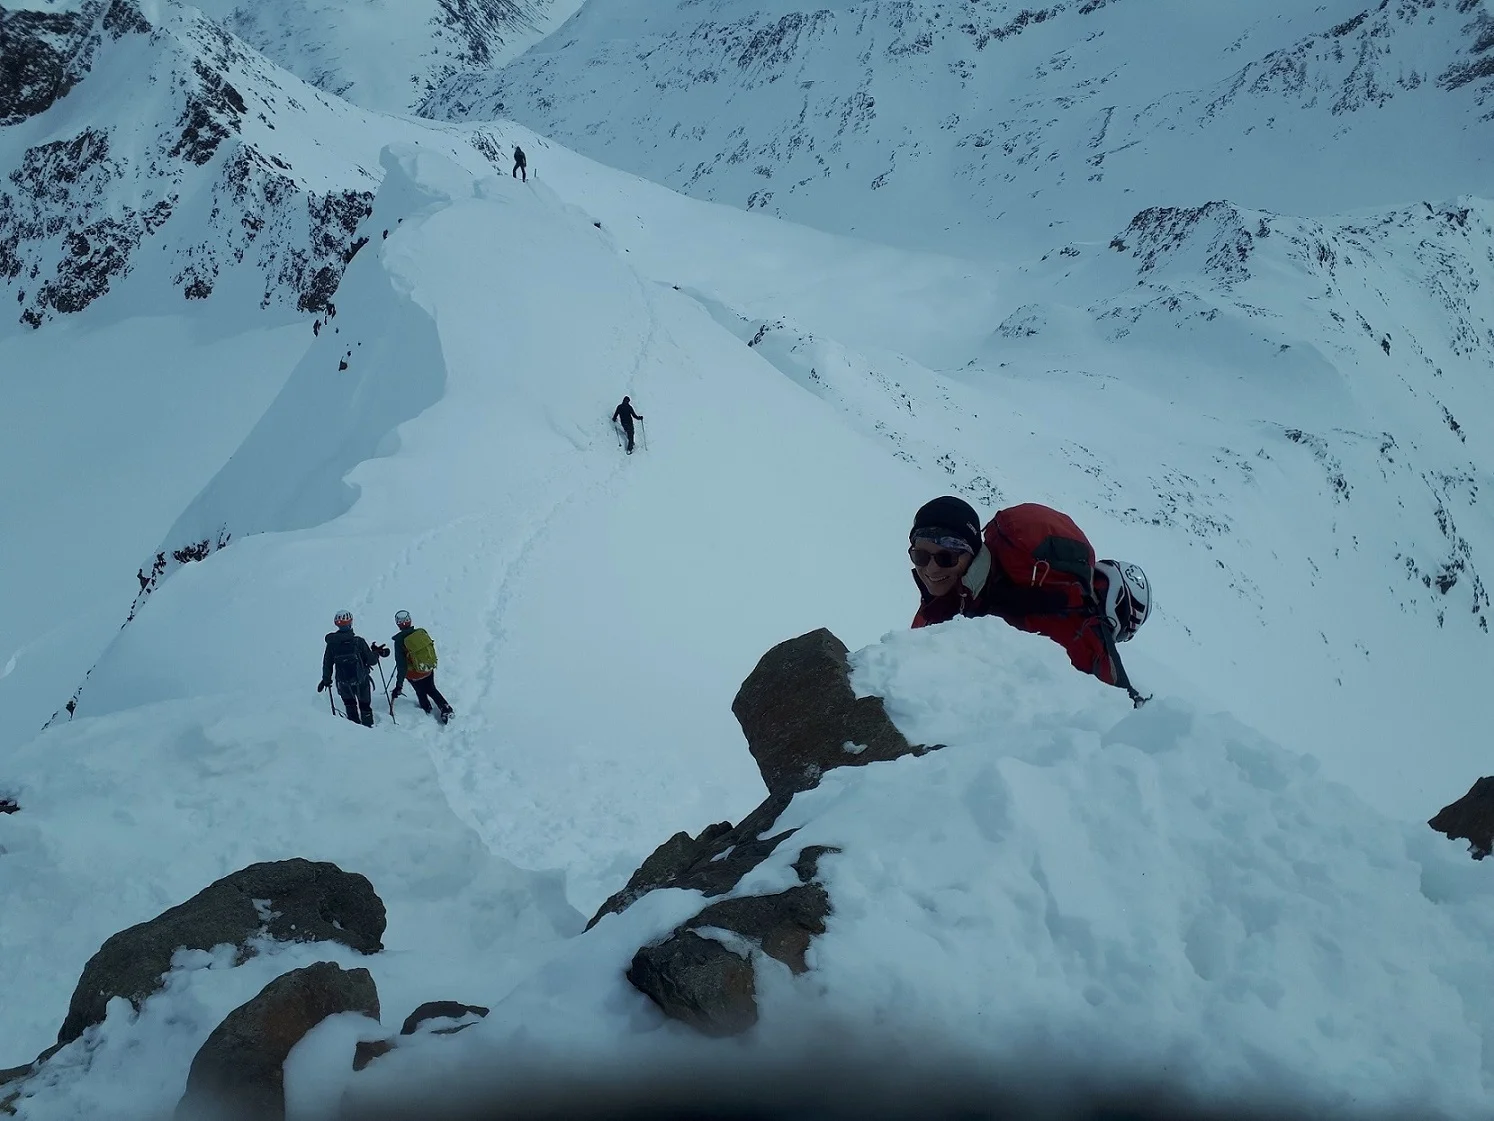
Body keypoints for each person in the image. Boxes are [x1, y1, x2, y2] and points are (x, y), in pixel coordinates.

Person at [908, 496, 1151, 704]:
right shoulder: (949, 598)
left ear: (972, 554)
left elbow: (1102, 696)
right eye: (920, 556)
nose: (931, 569)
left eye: (946, 558)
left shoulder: (1033, 608)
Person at [319, 611, 389, 727]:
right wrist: (377, 653)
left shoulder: (332, 644)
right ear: (350, 623)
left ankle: (354, 731)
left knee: (350, 705)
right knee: (365, 706)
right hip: (361, 680)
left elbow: (327, 663)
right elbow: (371, 661)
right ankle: (368, 728)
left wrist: (326, 679)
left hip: (343, 682)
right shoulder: (358, 642)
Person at [390, 610, 453, 724]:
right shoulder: (420, 633)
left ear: (398, 624)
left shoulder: (399, 641)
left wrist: (399, 685)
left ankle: (427, 710)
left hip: (413, 674)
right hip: (427, 668)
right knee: (431, 689)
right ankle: (445, 707)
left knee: (420, 690)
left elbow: (401, 665)